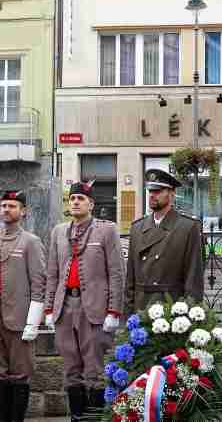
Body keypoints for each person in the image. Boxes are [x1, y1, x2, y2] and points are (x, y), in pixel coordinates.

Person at [45, 181, 124, 422]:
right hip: (65, 306)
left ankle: (94, 418)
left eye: (81, 199)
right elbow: (52, 272)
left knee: (94, 370)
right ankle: (77, 418)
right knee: (71, 368)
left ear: (91, 204)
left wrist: (114, 311)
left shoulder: (106, 230)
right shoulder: (59, 231)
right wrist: (49, 308)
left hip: (96, 308)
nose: (76, 202)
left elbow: (117, 272)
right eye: (73, 199)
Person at [0, 192, 46, 422]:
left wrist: (33, 321)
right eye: (4, 205)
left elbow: (39, 282)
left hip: (18, 318)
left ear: (23, 211)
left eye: (12, 206)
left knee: (19, 374)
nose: (7, 209)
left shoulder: (31, 242)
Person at [126, 169, 203, 313]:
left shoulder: (188, 227)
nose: (152, 195)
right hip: (141, 307)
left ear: (172, 194)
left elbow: (194, 277)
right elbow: (130, 277)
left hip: (172, 307)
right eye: (150, 191)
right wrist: (129, 313)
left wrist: (190, 313)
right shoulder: (137, 228)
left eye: (158, 191)